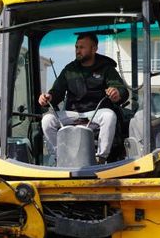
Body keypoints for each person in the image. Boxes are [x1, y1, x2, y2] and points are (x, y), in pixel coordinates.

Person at [38, 32, 129, 164]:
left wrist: (117, 93)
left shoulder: (106, 68)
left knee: (109, 116)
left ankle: (100, 158)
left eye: (82, 47)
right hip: (73, 114)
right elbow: (56, 92)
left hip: (97, 114)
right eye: (76, 47)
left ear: (94, 49)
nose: (78, 50)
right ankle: (59, 155)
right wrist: (48, 97)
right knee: (47, 120)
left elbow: (121, 90)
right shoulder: (69, 70)